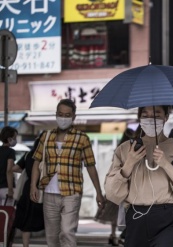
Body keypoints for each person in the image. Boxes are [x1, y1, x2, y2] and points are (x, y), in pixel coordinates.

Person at [104, 105, 173, 247]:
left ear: (166, 117)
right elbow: (112, 193)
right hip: (137, 216)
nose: (150, 120)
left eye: (156, 115)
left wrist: (165, 164)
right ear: (139, 118)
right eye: (145, 115)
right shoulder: (125, 149)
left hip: (169, 217)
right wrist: (129, 163)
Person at [29, 98, 105, 247]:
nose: (63, 118)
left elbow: (90, 166)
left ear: (74, 117)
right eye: (60, 114)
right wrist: (33, 185)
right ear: (56, 114)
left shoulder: (82, 139)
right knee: (51, 236)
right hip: (49, 193)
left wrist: (98, 192)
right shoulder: (46, 136)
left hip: (72, 192)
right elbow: (36, 161)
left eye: (67, 115)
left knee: (67, 231)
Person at [94, 128, 135, 246]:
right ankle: (120, 234)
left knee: (114, 212)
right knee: (123, 211)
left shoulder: (118, 150)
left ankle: (113, 235)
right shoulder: (127, 150)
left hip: (116, 184)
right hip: (125, 183)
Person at [12, 134, 45, 247]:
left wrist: (27, 171)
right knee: (48, 218)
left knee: (26, 218)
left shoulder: (28, 155)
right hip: (43, 188)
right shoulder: (48, 155)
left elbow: (14, 168)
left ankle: (25, 245)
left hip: (28, 188)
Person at [0, 126, 18, 206]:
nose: (15, 140)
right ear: (9, 139)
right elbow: (9, 170)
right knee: (6, 214)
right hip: (6, 188)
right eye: (15, 138)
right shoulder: (10, 152)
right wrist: (10, 189)